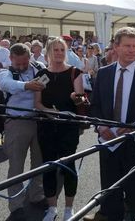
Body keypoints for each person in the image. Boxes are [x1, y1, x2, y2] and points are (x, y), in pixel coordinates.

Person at [84, 27, 135, 221]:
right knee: (110, 191)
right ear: (116, 47)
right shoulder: (104, 74)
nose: (132, 50)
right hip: (108, 143)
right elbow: (95, 107)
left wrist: (134, 126)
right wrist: (101, 127)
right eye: (127, 45)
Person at [34, 37, 84, 221]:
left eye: (62, 50)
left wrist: (76, 98)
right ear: (48, 52)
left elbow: (81, 99)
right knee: (49, 167)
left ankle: (69, 208)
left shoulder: (75, 72)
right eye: (55, 50)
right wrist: (49, 112)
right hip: (46, 127)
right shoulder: (40, 74)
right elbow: (37, 103)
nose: (59, 53)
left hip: (68, 128)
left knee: (68, 166)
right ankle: (52, 208)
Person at [0, 43, 46, 221]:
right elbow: (5, 84)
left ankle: (36, 195)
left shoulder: (39, 69)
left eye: (25, 63)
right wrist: (27, 85)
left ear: (29, 58)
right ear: (11, 58)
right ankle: (16, 205)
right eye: (18, 63)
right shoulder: (5, 72)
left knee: (39, 162)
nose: (21, 66)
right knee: (16, 166)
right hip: (17, 122)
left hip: (39, 121)